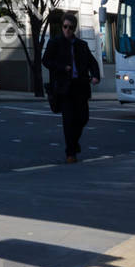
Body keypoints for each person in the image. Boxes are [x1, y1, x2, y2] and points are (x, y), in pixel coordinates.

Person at [43, 13, 101, 163]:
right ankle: (70, 153)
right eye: (65, 27)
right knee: (68, 120)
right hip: (64, 88)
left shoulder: (82, 45)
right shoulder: (55, 43)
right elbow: (46, 61)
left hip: (80, 86)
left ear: (74, 28)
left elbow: (92, 62)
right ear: (62, 27)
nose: (68, 30)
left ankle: (74, 144)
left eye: (71, 27)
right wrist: (62, 68)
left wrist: (95, 76)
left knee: (83, 118)